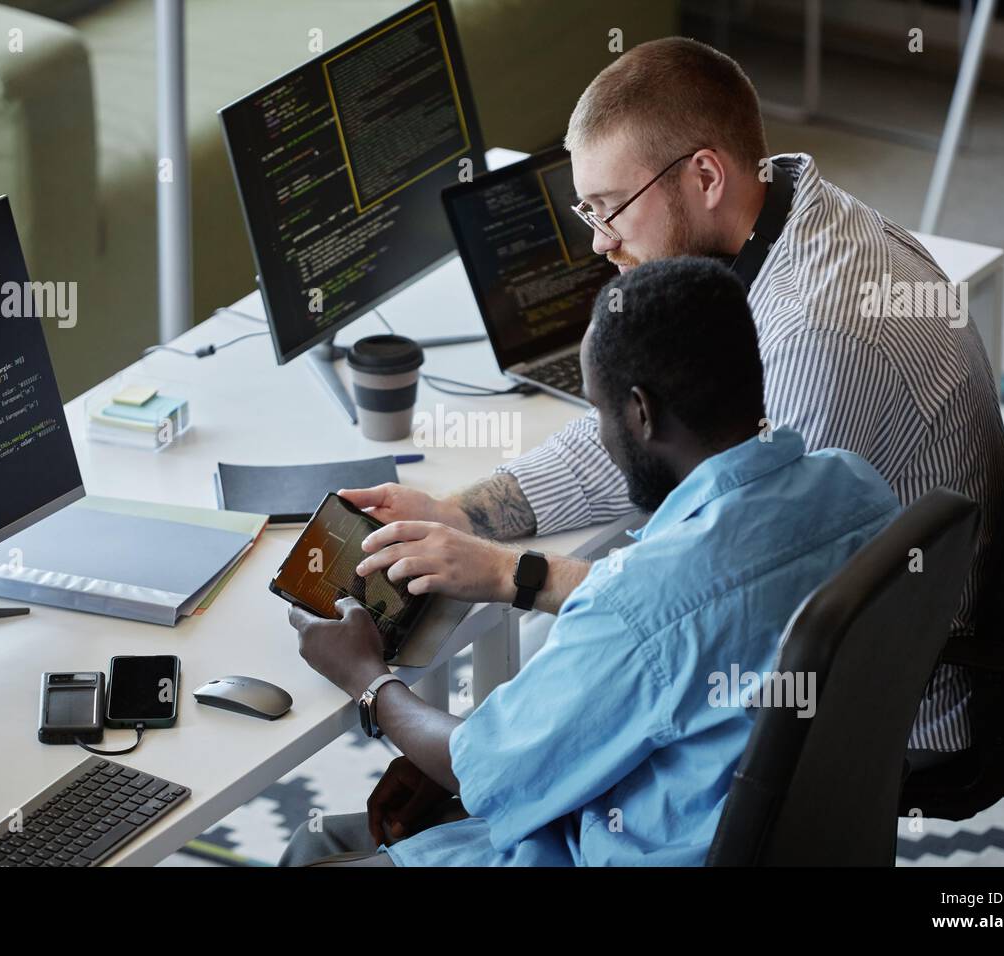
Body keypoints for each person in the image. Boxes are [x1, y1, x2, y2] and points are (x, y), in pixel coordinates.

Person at [340, 37, 1004, 759]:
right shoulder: (784, 216)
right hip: (844, 628)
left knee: (552, 698)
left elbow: (714, 590)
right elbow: (634, 439)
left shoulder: (818, 332)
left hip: (884, 704)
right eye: (586, 211)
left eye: (611, 208)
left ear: (706, 176)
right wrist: (457, 512)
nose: (599, 244)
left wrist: (507, 573)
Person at [280, 257, 901, 866]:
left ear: (640, 411)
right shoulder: (860, 489)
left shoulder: (638, 605)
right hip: (780, 835)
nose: (601, 434)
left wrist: (367, 679)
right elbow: (696, 616)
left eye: (599, 411)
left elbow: (487, 769)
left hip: (628, 845)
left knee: (315, 846)